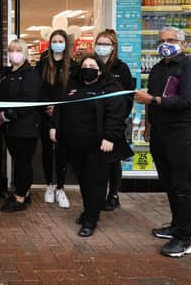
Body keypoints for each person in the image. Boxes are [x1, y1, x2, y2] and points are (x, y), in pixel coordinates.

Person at [135, 26, 191, 258]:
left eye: (171, 40)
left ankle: (185, 238)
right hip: (160, 133)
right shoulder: (158, 68)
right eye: (162, 40)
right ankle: (176, 225)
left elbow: (187, 101)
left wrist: (153, 99)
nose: (165, 43)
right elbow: (150, 100)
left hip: (181, 134)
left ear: (183, 43)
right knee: (168, 182)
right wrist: (148, 125)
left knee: (182, 186)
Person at [51, 53, 133, 238]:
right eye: (85, 66)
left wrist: (110, 137)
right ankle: (89, 211)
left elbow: (116, 114)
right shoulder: (73, 87)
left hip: (98, 146)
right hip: (75, 145)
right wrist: (54, 127)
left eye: (92, 66)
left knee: (95, 183)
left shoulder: (110, 88)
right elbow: (60, 109)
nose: (88, 69)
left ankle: (91, 220)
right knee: (84, 182)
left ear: (99, 69)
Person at [0, 39, 42, 212]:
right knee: (19, 161)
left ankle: (20, 198)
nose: (14, 53)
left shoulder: (31, 74)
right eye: (11, 50)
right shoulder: (7, 74)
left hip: (25, 128)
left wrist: (5, 115)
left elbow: (28, 102)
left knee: (23, 163)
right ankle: (25, 191)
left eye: (18, 50)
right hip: (10, 129)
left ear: (24, 52)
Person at [94, 29, 135, 211]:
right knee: (97, 161)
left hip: (114, 122)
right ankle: (98, 194)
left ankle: (113, 194)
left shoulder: (121, 68)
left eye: (106, 44)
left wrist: (119, 119)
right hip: (94, 122)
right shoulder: (90, 65)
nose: (101, 47)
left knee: (113, 160)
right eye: (99, 44)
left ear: (113, 47)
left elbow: (127, 97)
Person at [36, 29, 77, 209]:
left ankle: (61, 187)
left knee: (62, 152)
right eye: (55, 40)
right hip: (45, 114)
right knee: (46, 151)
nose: (57, 44)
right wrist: (48, 107)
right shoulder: (43, 64)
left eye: (61, 40)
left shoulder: (73, 66)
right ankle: (49, 185)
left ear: (66, 44)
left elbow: (74, 91)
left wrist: (60, 107)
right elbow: (38, 88)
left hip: (65, 116)